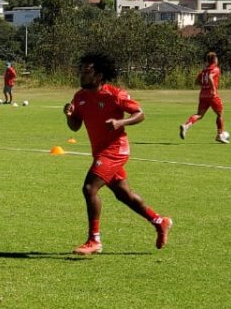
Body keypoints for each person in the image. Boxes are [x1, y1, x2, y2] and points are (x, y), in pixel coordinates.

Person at [64, 52, 172, 255]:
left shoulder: (114, 94)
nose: (82, 75)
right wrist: (69, 116)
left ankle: (94, 240)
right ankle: (159, 221)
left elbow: (140, 114)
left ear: (99, 75)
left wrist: (121, 122)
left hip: (115, 150)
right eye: (82, 71)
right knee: (125, 196)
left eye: (87, 72)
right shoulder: (79, 97)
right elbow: (75, 127)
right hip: (100, 152)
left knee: (89, 188)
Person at [180, 51, 226, 143]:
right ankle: (219, 135)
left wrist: (204, 85)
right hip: (212, 95)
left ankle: (186, 126)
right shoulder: (216, 69)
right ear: (214, 59)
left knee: (199, 115)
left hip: (203, 95)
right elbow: (210, 77)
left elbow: (197, 81)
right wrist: (212, 89)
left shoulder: (204, 70)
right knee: (220, 114)